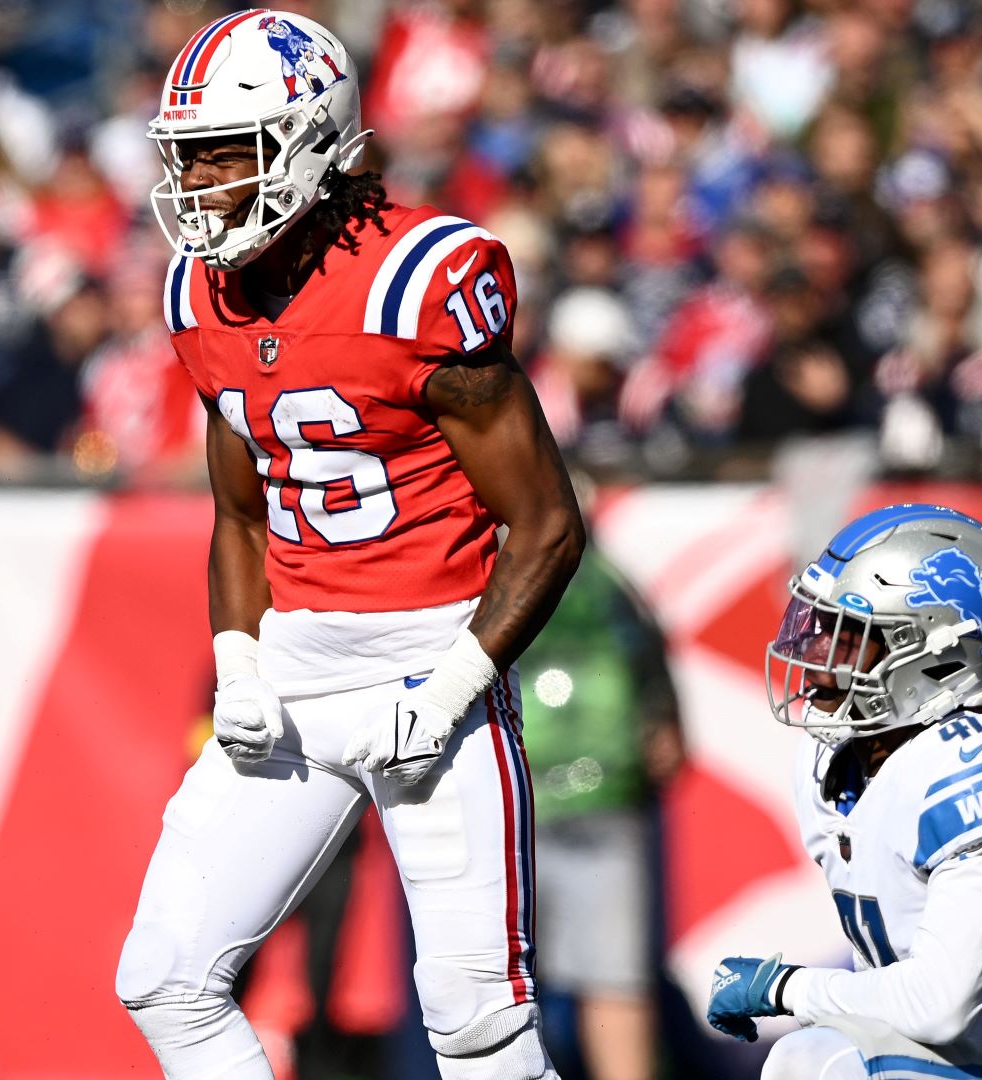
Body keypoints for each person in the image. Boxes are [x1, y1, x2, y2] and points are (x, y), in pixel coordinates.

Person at [116, 11, 584, 1080]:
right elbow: (240, 513)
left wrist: (461, 678)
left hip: (432, 654)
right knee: (165, 978)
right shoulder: (200, 292)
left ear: (314, 139)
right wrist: (239, 660)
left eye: (227, 151)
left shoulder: (418, 280)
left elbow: (547, 524)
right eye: (186, 156)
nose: (198, 182)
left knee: (478, 1026)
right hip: (296, 658)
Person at [705, 505, 982, 1079]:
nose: (812, 658)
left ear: (935, 657)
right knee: (810, 1057)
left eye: (845, 637)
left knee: (835, 1063)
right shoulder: (826, 761)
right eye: (814, 626)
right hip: (953, 1062)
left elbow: (939, 1006)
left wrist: (786, 987)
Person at [518, 544, 683, 1080]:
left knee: (615, 984)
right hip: (508, 810)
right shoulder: (468, 562)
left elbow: (650, 661)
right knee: (492, 991)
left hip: (597, 803)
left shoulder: (602, 575)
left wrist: (661, 715)